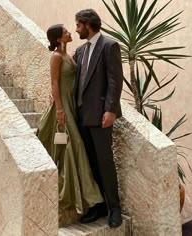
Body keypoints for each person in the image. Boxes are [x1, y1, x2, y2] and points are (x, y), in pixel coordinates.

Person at [36, 24, 103, 226]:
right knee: (77, 148)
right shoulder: (56, 57)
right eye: (65, 32)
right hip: (63, 106)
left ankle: (87, 198)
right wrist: (59, 109)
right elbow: (54, 83)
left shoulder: (69, 55)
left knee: (73, 148)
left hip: (72, 106)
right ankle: (93, 200)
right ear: (58, 39)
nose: (70, 32)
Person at [73, 9, 123, 228]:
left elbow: (115, 80)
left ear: (87, 24)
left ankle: (114, 208)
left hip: (101, 115)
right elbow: (73, 80)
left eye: (78, 25)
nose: (76, 29)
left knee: (105, 162)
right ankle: (99, 205)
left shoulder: (109, 46)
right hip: (82, 116)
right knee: (90, 163)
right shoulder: (80, 51)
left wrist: (110, 110)